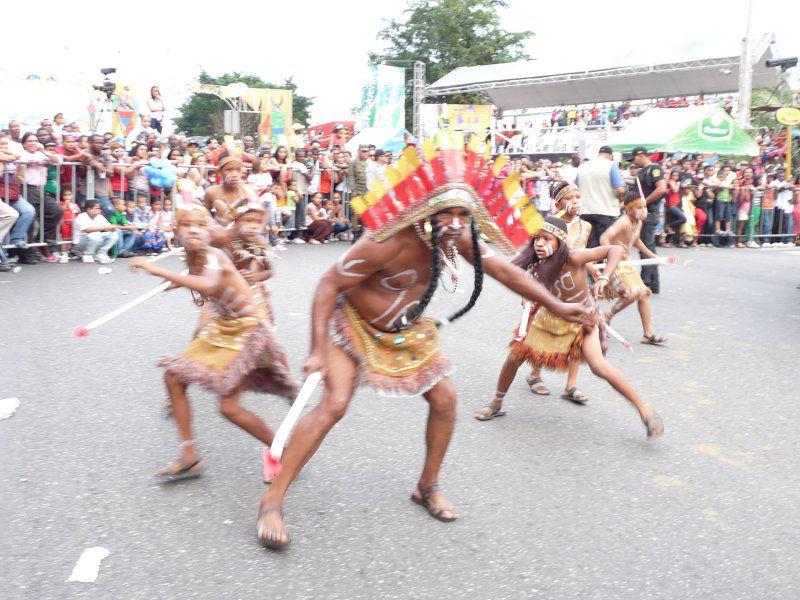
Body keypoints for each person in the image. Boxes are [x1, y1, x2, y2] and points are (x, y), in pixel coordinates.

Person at [255, 142, 592, 549]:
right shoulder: (389, 239)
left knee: (446, 399)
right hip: (356, 325)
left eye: (461, 214)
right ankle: (272, 501)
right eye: (445, 213)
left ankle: (427, 487)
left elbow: (502, 269)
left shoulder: (460, 234)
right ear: (427, 210)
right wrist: (313, 350)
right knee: (334, 404)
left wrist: (555, 303)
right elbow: (329, 283)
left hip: (410, 330)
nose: (452, 222)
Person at [130, 204, 298, 481]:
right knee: (173, 378)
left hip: (247, 332)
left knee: (229, 407)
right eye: (186, 225)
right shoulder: (195, 257)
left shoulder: (214, 253)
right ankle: (189, 457)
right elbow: (199, 280)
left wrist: (157, 271)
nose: (194, 229)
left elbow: (208, 285)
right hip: (222, 328)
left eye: (200, 224)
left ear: (209, 230)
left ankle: (286, 453)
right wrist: (177, 282)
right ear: (175, 230)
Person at [474, 215, 663, 439]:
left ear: (559, 242)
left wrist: (603, 277)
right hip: (548, 318)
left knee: (598, 366)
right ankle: (496, 402)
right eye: (537, 239)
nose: (540, 244)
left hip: (582, 320)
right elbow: (521, 282)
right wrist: (527, 296)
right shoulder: (534, 264)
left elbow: (614, 250)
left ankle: (644, 410)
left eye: (547, 239)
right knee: (515, 357)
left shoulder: (574, 257)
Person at [523, 183, 594, 401]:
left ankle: (570, 386)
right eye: (569, 198)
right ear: (557, 203)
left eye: (578, 196)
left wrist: (601, 277)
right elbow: (531, 258)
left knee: (578, 336)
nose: (575, 201)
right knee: (542, 332)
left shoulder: (587, 227)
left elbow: (583, 258)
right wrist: (526, 291)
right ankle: (535, 374)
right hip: (549, 286)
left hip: (574, 288)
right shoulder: (548, 226)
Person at [600, 192, 667, 345]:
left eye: (644, 207)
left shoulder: (638, 222)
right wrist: (611, 256)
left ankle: (648, 334)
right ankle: (606, 317)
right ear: (629, 209)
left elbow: (636, 242)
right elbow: (604, 238)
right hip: (615, 263)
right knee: (632, 293)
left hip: (626, 263)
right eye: (639, 207)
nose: (644, 210)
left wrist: (654, 258)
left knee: (643, 294)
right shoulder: (623, 222)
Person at [631, 147, 666, 293]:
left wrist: (645, 202)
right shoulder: (640, 172)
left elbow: (661, 189)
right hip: (642, 213)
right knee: (645, 248)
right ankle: (652, 283)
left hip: (650, 212)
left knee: (647, 247)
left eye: (634, 158)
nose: (633, 162)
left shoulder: (654, 169)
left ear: (640, 155)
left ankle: (647, 282)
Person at [576, 145, 626, 247]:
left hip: (585, 211)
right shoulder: (611, 165)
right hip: (606, 212)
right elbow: (620, 190)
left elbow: (575, 186)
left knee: (590, 246)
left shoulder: (583, 167)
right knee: (606, 246)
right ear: (611, 156)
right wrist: (620, 199)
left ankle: (591, 263)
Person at [203, 152, 256, 225]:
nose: (235, 174)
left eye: (238, 170)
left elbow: (258, 216)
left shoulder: (249, 191)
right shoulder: (211, 192)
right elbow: (205, 216)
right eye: (229, 170)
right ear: (220, 172)